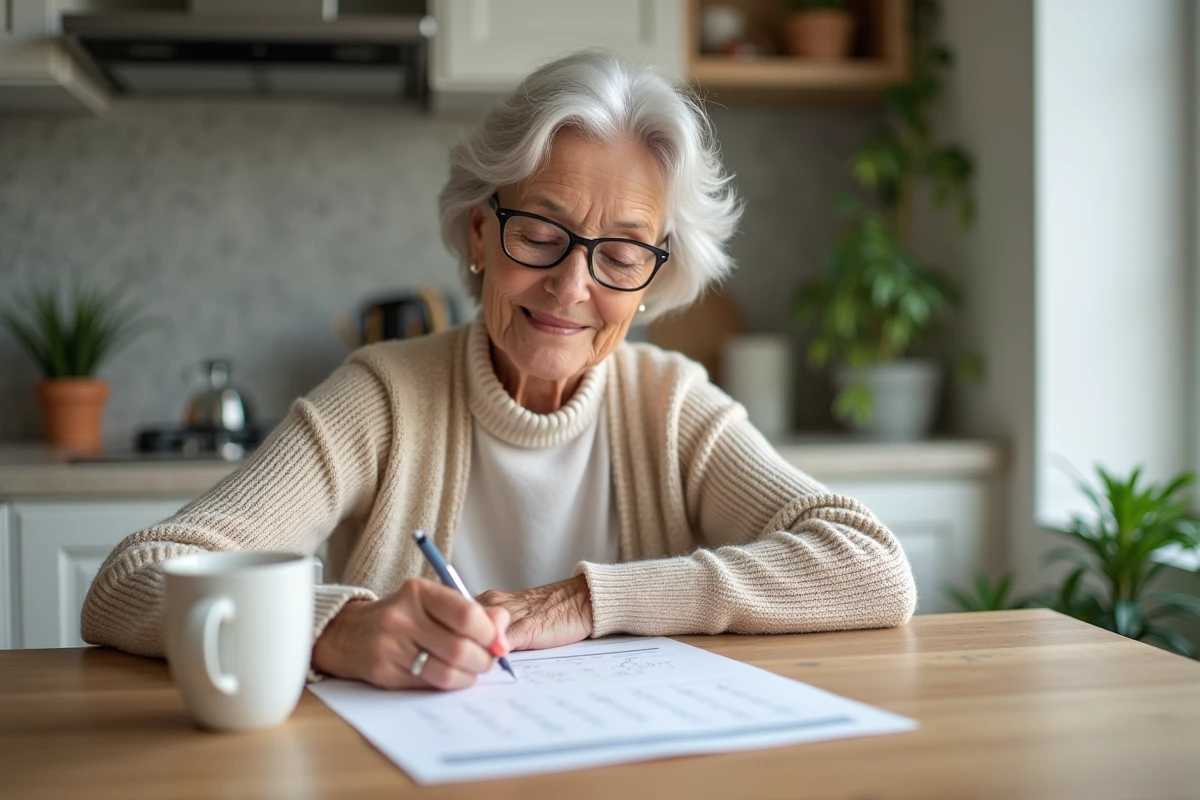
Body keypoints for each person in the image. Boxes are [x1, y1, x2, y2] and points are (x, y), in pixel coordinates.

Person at [82, 49, 916, 691]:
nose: (571, 285)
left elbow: (870, 566)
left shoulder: (672, 407)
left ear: (654, 276)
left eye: (620, 251)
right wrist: (332, 628)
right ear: (481, 235)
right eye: (541, 232)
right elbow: (128, 581)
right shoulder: (380, 398)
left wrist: (587, 603)